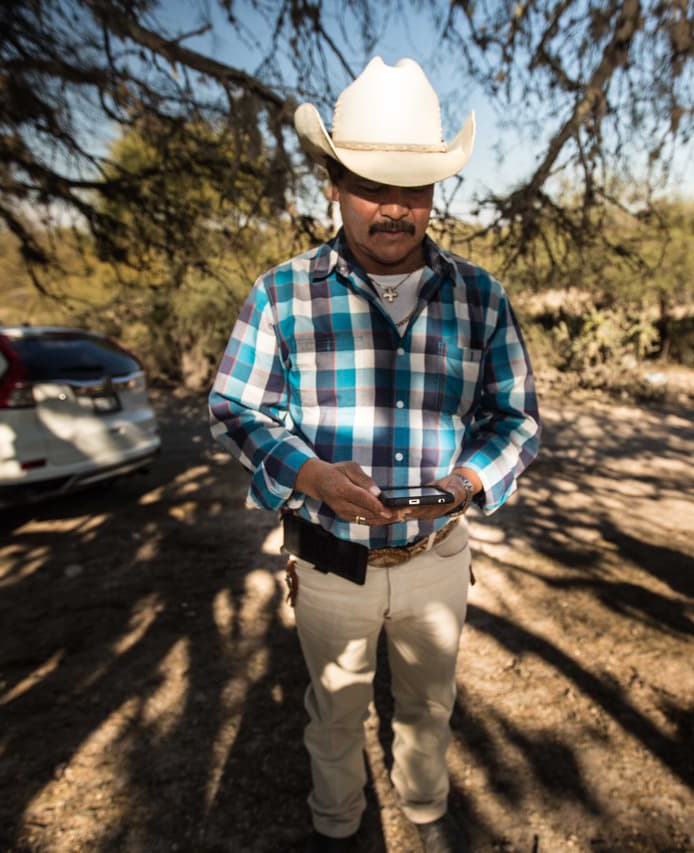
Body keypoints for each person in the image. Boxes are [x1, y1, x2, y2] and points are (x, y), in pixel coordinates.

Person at [209, 56, 540, 853]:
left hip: (437, 558)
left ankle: (426, 821)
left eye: (415, 189)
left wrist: (466, 483)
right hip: (330, 565)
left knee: (430, 707)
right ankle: (337, 827)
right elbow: (236, 407)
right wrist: (311, 474)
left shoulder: (481, 297)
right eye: (370, 185)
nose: (395, 209)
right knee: (335, 710)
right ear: (331, 181)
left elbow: (516, 420)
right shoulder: (281, 293)